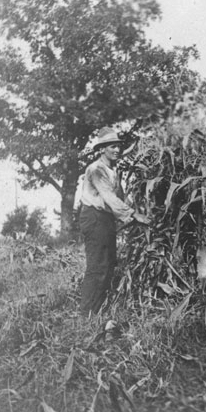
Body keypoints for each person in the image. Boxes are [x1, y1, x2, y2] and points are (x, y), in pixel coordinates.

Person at [79, 127, 149, 316]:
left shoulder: (112, 170)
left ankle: (97, 309)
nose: (117, 150)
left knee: (109, 263)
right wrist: (134, 215)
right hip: (94, 218)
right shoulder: (96, 170)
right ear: (101, 149)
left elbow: (118, 198)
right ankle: (86, 313)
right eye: (112, 146)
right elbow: (109, 198)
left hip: (105, 219)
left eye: (118, 146)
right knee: (98, 266)